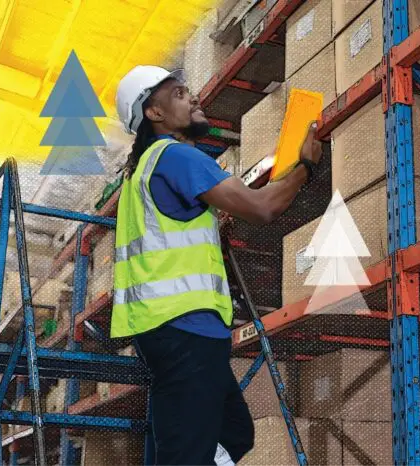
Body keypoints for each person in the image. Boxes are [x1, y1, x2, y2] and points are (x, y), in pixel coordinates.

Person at [111, 65, 323, 465]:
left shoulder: (144, 170)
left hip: (172, 330)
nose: (193, 97)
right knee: (186, 454)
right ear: (154, 113)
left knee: (232, 432)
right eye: (179, 94)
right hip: (183, 327)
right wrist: (305, 168)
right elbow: (262, 207)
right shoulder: (175, 156)